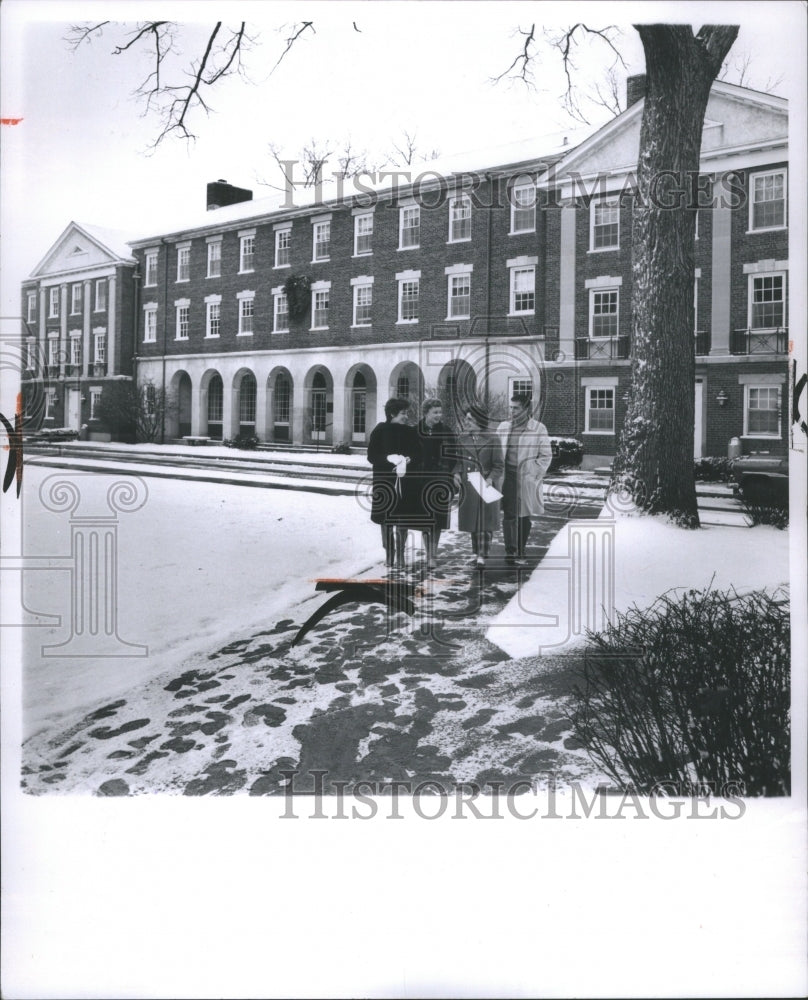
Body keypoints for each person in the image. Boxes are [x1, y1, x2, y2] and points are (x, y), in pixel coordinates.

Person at [496, 393, 552, 566]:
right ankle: (510, 550)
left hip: (526, 477)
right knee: (509, 514)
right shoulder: (503, 427)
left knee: (524, 515)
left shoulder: (538, 428)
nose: (512, 411)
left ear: (526, 408)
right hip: (507, 477)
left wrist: (533, 474)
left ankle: (521, 549)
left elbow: (545, 456)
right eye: (511, 408)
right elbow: (495, 452)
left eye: (516, 408)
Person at [367, 397, 422, 571]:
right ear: (392, 414)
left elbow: (417, 453)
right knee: (386, 519)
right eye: (403, 413)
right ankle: (388, 553)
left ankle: (400, 555)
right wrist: (388, 459)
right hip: (384, 481)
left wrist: (409, 459)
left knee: (402, 518)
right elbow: (371, 456)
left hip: (405, 482)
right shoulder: (380, 430)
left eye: (406, 413)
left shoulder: (410, 432)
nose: (406, 416)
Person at [454, 405, 504, 567]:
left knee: (484, 522)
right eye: (466, 419)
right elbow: (458, 461)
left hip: (486, 482)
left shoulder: (493, 438)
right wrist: (456, 473)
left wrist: (490, 479)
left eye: (469, 419)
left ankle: (482, 554)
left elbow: (499, 465)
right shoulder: (462, 438)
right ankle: (477, 553)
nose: (466, 422)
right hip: (468, 483)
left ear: (478, 421)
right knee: (473, 521)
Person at [416, 398, 458, 570]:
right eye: (435, 412)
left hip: (441, 479)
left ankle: (433, 554)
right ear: (426, 413)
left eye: (440, 412)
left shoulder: (447, 432)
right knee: (425, 519)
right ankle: (428, 554)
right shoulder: (416, 431)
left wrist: (452, 475)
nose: (439, 415)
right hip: (420, 480)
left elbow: (453, 456)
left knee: (438, 519)